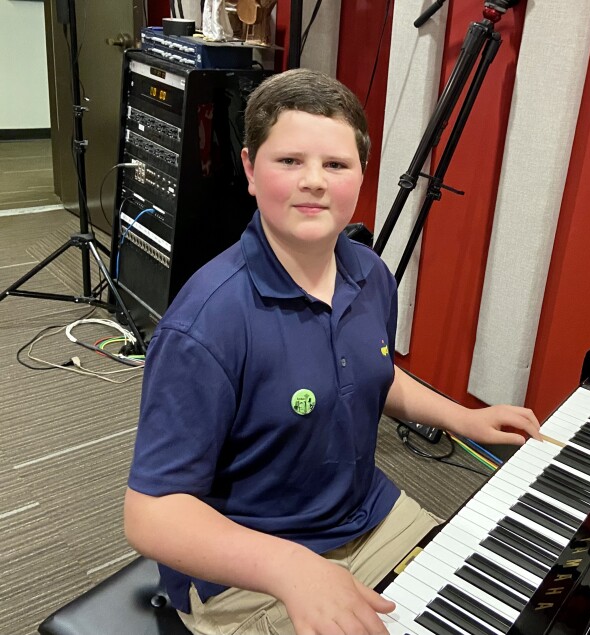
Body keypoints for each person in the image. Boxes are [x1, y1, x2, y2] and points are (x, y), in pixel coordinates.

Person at [123, 67, 541, 635]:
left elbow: (374, 372)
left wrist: (464, 417)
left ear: (361, 177)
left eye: (336, 165)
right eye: (289, 161)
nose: (314, 181)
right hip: (250, 565)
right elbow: (151, 515)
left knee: (509, 599)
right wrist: (292, 568)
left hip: (369, 514)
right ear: (249, 169)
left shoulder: (370, 273)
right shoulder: (205, 324)